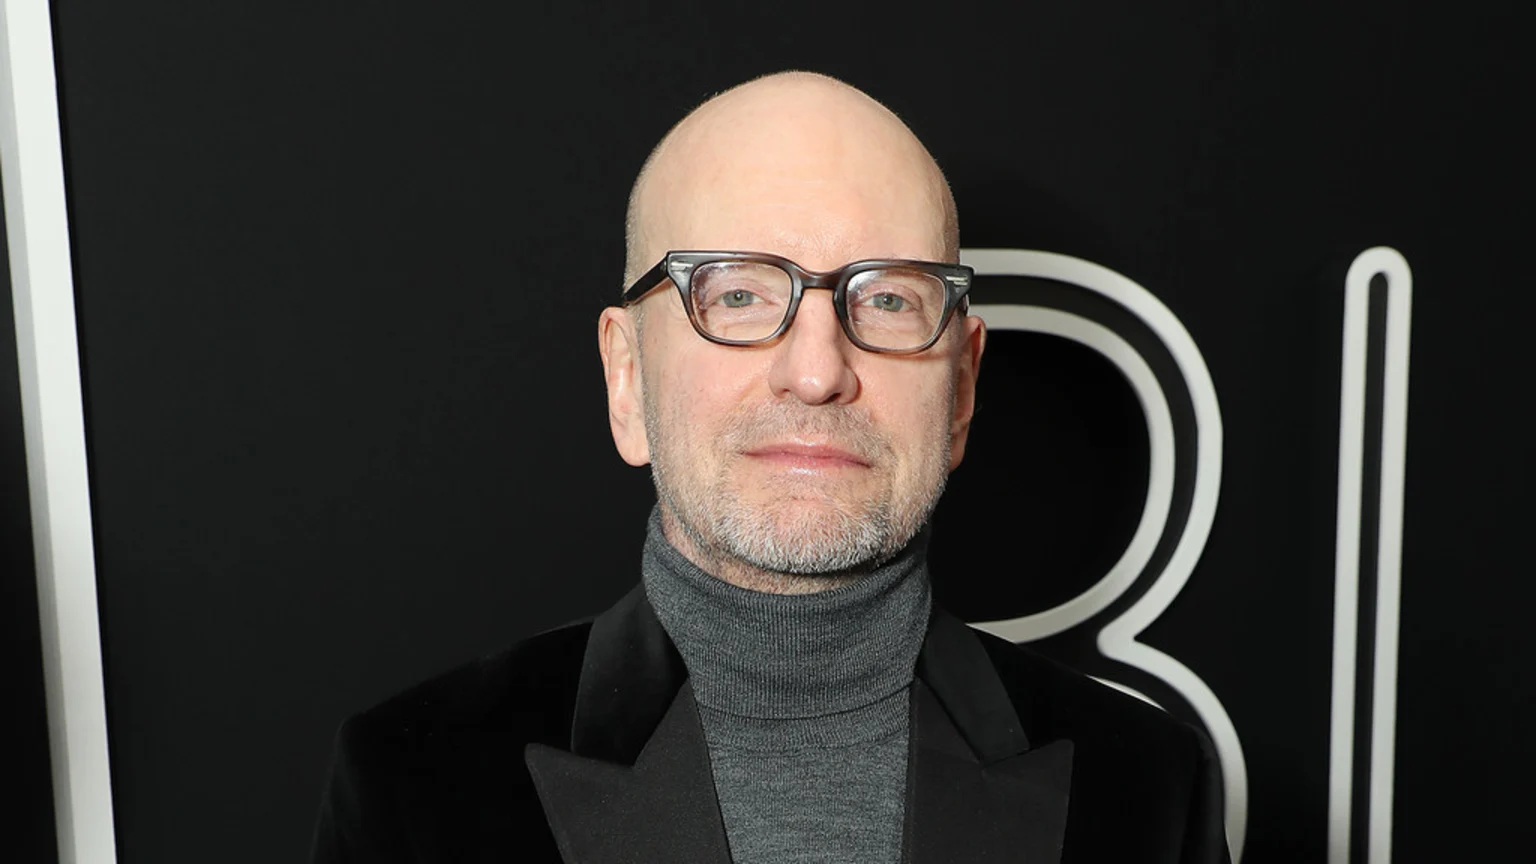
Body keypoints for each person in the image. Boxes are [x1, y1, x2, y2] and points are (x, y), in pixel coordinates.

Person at [311, 71, 1230, 864]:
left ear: (960, 388)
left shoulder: (1147, 792)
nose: (819, 370)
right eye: (741, 293)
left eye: (889, 298)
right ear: (627, 376)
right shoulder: (417, 785)